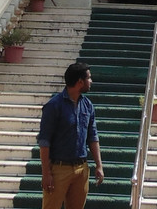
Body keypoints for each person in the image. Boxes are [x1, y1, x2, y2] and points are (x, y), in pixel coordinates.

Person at [38, 61, 105, 209]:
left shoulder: (88, 105)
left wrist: (99, 165)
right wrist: (46, 173)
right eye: (89, 78)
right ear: (80, 82)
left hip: (81, 168)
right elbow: (44, 141)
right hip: (59, 169)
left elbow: (93, 136)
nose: (91, 81)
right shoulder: (53, 106)